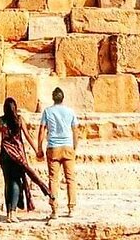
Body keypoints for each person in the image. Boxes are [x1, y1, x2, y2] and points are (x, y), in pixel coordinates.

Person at [0, 97, 51, 223]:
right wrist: (37, 150)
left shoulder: (0, 120)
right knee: (16, 183)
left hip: (4, 155)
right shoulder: (19, 120)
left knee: (8, 182)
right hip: (17, 156)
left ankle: (9, 213)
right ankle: (13, 213)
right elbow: (27, 136)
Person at [36, 86, 79, 221]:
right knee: (70, 178)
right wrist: (74, 146)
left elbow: (42, 129)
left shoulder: (47, 111)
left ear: (53, 98)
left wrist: (39, 147)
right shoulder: (70, 111)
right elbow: (75, 130)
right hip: (67, 146)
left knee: (53, 179)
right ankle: (71, 208)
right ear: (63, 98)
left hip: (53, 147)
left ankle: (54, 210)